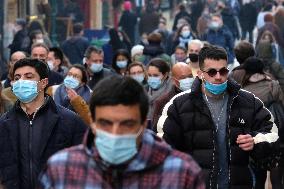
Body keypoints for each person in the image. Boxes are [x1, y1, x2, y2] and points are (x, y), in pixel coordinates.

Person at [39, 75, 205, 189]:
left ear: (142, 125)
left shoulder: (181, 173)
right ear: (93, 123)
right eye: (105, 123)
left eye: (127, 124)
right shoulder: (61, 168)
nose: (115, 133)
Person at [159, 45, 279, 188]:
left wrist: (255, 140)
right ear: (200, 73)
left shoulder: (248, 101)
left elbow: (273, 133)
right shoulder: (178, 105)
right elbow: (163, 146)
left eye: (223, 71)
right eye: (212, 72)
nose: (218, 77)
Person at [0, 58, 87, 189]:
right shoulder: (4, 123)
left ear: (43, 82)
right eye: (17, 78)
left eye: (28, 76)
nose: (21, 81)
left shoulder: (70, 121)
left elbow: (82, 166)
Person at [152, 62, 193, 131]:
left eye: (190, 76)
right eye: (183, 78)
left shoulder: (201, 95)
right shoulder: (163, 101)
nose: (188, 80)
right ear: (174, 80)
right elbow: (157, 129)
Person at [147, 58, 172, 124]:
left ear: (165, 75)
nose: (152, 78)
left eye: (156, 75)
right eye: (149, 75)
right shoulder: (145, 89)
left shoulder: (171, 91)